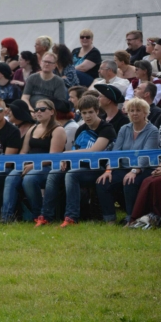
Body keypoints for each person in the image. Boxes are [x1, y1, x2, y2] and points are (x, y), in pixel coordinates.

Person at [36, 95, 117, 227]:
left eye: (90, 112)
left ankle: (71, 217)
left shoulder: (107, 128)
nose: (87, 116)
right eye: (84, 113)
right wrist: (66, 160)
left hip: (99, 169)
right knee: (54, 173)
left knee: (71, 175)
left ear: (97, 111)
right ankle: (46, 216)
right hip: (79, 167)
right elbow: (77, 150)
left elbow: (94, 151)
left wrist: (66, 154)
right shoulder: (81, 129)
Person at [95, 97, 158, 225]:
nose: (134, 113)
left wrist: (135, 171)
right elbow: (116, 152)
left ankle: (132, 218)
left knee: (130, 181)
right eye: (132, 110)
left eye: (138, 110)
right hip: (124, 167)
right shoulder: (124, 128)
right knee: (103, 182)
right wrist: (108, 170)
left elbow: (146, 155)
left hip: (145, 168)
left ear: (145, 113)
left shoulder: (152, 130)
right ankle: (110, 219)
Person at [11, 99, 67, 222]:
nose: (38, 112)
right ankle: (7, 216)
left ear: (52, 112)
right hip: (29, 164)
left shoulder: (58, 130)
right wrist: (23, 164)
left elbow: (54, 157)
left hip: (49, 167)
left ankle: (38, 215)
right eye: (36, 110)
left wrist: (33, 165)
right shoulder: (32, 128)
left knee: (30, 179)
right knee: (11, 177)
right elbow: (23, 152)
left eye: (42, 109)